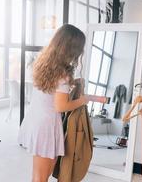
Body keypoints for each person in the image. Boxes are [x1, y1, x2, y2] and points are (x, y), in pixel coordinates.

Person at [18, 24, 89, 182]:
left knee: (38, 175)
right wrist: (83, 100)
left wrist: (71, 86)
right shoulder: (62, 73)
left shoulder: (43, 62)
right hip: (46, 126)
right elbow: (61, 106)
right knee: (42, 176)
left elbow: (50, 91)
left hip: (35, 120)